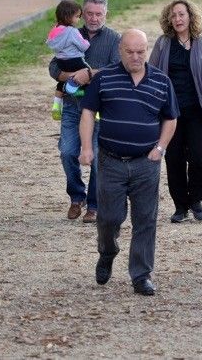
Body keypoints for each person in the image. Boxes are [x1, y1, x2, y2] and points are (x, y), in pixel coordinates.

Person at [78, 28, 179, 296]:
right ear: (120, 50)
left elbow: (171, 117)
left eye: (141, 52)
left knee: (145, 219)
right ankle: (108, 251)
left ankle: (141, 274)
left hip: (146, 162)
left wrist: (160, 148)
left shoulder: (160, 81)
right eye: (130, 52)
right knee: (109, 218)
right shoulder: (105, 78)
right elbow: (88, 112)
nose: (135, 57)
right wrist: (87, 148)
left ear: (146, 50)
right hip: (110, 161)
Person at [148, 0, 202, 223]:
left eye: (181, 14)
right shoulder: (163, 43)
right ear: (169, 19)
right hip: (170, 113)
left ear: (190, 17)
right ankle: (180, 206)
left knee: (197, 158)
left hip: (197, 111)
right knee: (173, 159)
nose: (177, 19)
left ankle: (196, 200)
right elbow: (151, 73)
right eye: (173, 15)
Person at [49, 0, 121, 223]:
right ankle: (76, 197)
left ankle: (93, 205)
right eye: (89, 13)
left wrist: (89, 74)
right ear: (81, 13)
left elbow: (118, 69)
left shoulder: (113, 39)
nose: (93, 18)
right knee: (68, 151)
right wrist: (71, 76)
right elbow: (53, 67)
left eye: (98, 14)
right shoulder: (69, 32)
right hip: (72, 106)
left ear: (106, 14)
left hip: (101, 109)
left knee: (99, 158)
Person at [47, 0, 90, 120]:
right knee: (89, 77)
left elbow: (50, 44)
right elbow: (83, 45)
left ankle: (56, 105)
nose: (79, 19)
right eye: (77, 16)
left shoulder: (55, 30)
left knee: (62, 83)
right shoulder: (72, 31)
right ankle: (95, 110)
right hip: (75, 60)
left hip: (62, 62)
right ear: (68, 17)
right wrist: (87, 42)